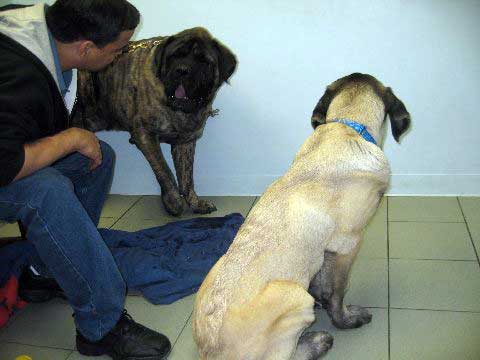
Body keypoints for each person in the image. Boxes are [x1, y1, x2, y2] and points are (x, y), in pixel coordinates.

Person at [0, 1, 171, 359]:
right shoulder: (20, 74)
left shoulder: (32, 26)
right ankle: (101, 325)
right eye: (118, 49)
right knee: (46, 191)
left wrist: (74, 141)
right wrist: (72, 137)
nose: (121, 55)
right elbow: (6, 164)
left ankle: (42, 270)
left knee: (96, 158)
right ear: (86, 48)